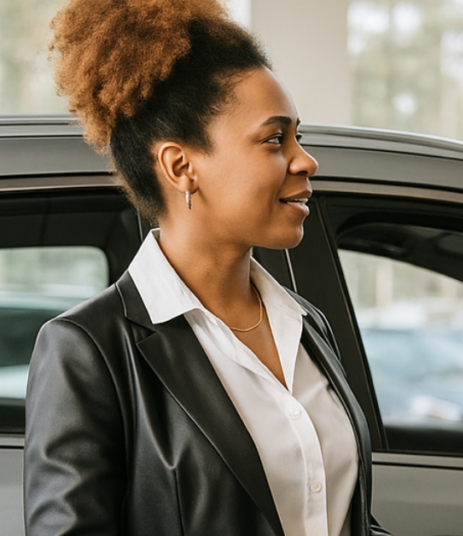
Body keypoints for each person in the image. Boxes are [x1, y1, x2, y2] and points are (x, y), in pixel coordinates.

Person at [24, 2, 389, 535]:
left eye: (298, 137)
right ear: (181, 166)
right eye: (273, 138)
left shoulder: (307, 325)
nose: (305, 160)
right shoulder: (88, 350)